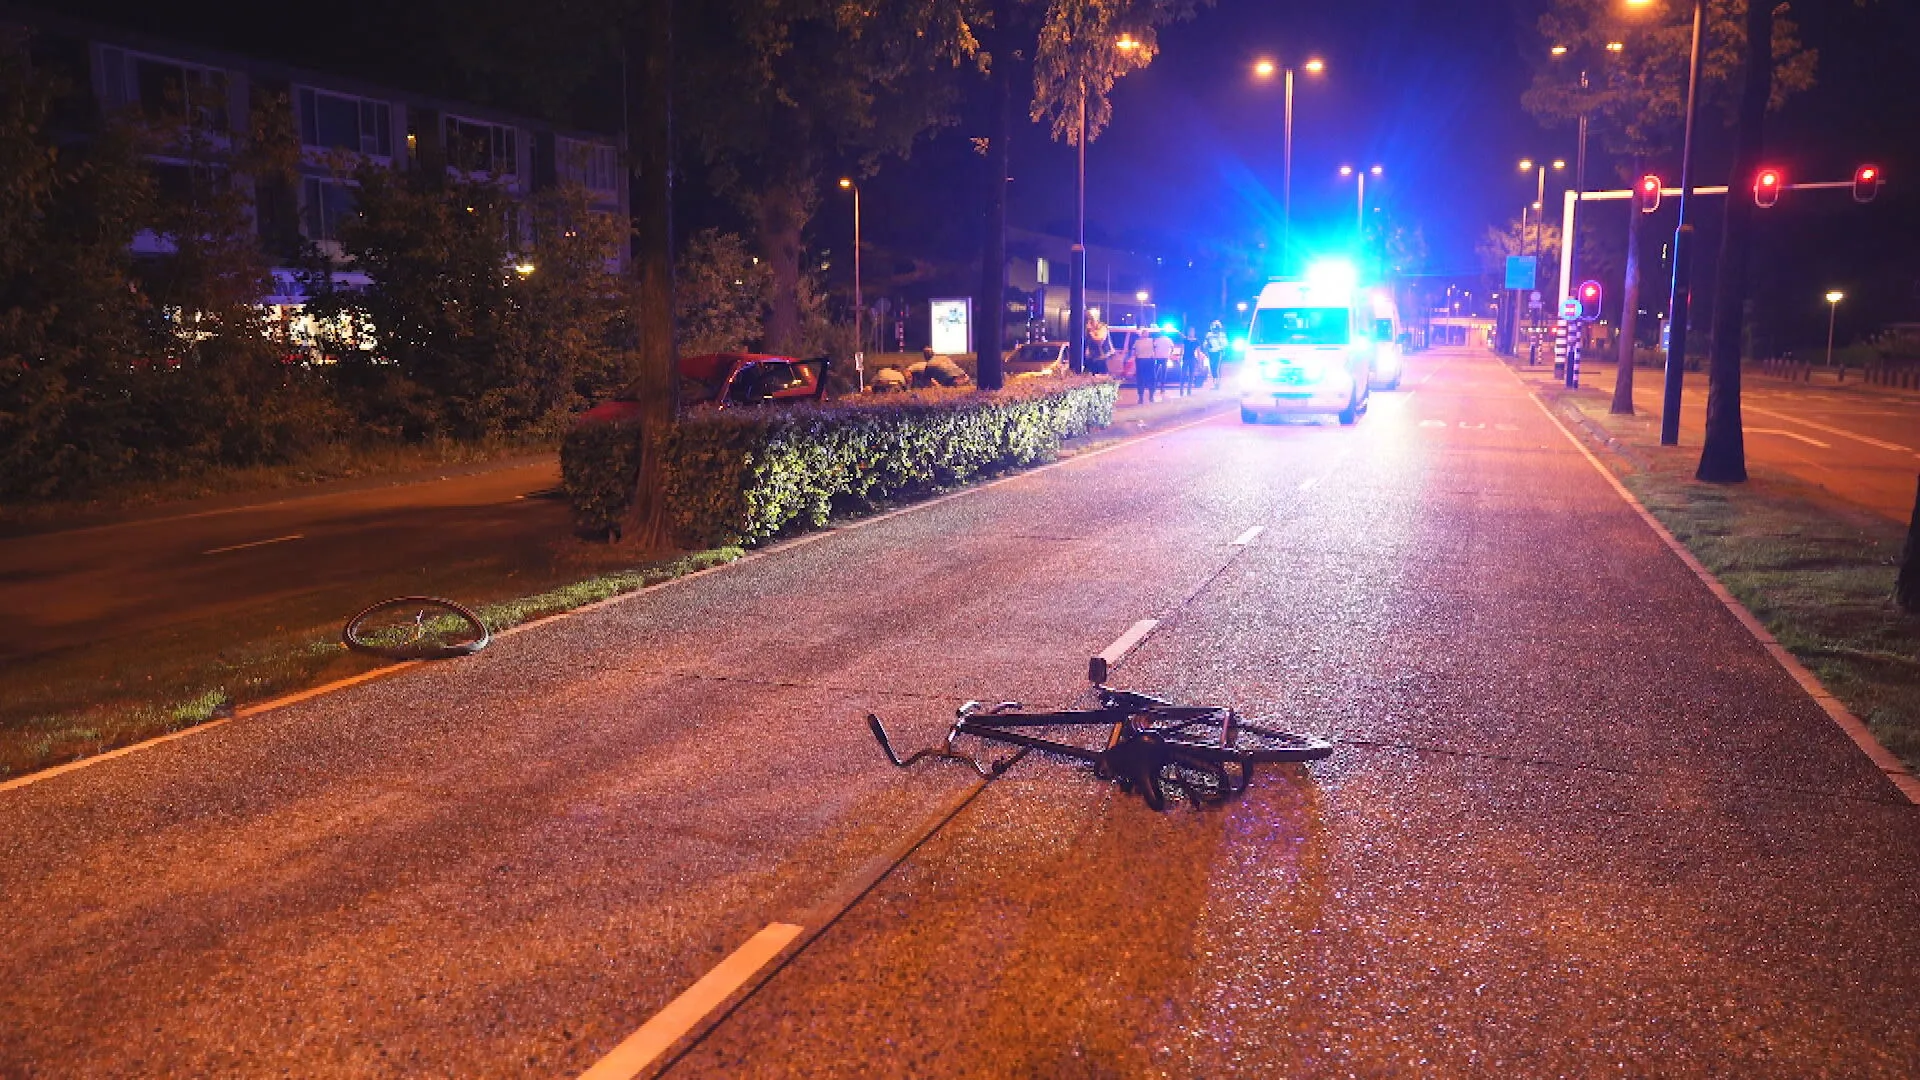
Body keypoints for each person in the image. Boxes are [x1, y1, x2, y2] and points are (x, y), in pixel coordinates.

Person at [1130, 326, 1170, 404]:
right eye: (1145, 333)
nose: (1145, 334)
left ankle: (1145, 397)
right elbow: (1156, 349)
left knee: (1144, 379)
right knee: (1149, 379)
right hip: (1146, 361)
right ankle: (1146, 397)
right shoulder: (1148, 341)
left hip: (1143, 361)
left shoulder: (1142, 341)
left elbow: (1133, 352)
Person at [1204, 320, 1229, 388]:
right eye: (1214, 328)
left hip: (1218, 352)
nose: (1215, 329)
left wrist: (1221, 347)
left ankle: (1217, 384)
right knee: (1212, 368)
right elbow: (1205, 343)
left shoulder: (1222, 335)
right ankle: (1215, 382)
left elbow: (1225, 344)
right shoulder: (1209, 335)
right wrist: (1206, 347)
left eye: (1217, 328)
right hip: (1211, 352)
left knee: (1216, 368)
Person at [1180, 324, 1202, 395]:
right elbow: (1182, 349)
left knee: (1191, 375)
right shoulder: (1185, 340)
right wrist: (1180, 357)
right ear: (1188, 332)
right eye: (1190, 331)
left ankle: (1189, 390)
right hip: (1185, 358)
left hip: (1192, 359)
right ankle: (1181, 389)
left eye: (1192, 331)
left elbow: (1198, 352)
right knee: (1183, 374)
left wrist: (1199, 362)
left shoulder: (1196, 341)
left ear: (1194, 332)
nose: (1191, 333)